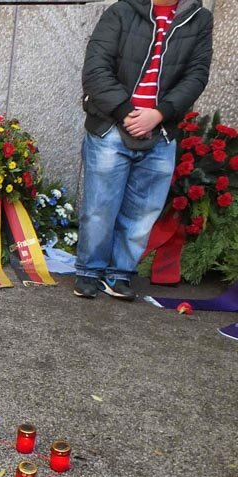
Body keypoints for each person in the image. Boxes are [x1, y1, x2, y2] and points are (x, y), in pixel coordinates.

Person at [76, 0, 213, 300]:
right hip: (111, 124)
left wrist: (160, 113)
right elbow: (96, 67)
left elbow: (196, 75)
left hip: (161, 129)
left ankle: (120, 274)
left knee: (143, 212)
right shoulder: (120, 11)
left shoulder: (199, 19)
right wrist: (126, 111)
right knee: (100, 207)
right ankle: (89, 271)